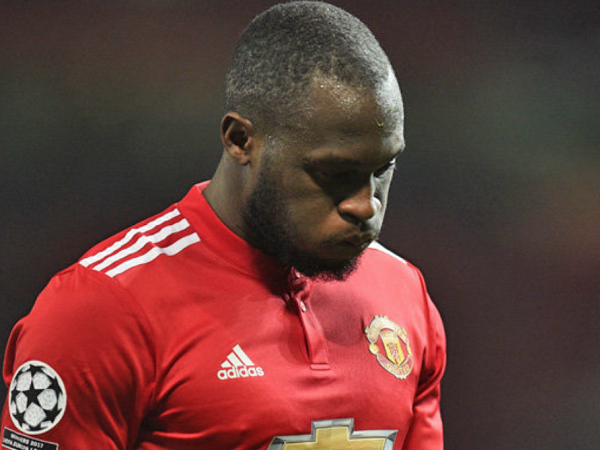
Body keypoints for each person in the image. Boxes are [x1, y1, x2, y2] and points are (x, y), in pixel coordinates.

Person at [1, 2, 446, 449]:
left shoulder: (405, 293)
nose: (366, 205)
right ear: (240, 140)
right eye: (333, 173)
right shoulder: (101, 310)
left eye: (383, 169)